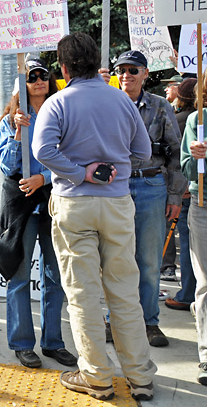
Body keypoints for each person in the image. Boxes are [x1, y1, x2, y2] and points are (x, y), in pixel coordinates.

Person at [33, 32, 156, 401]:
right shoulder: (122, 101)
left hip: (74, 204)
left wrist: (79, 172)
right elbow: (144, 152)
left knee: (83, 294)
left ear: (65, 67)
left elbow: (42, 150)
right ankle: (141, 377)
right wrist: (114, 165)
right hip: (117, 203)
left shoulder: (58, 103)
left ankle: (97, 376)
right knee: (124, 292)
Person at [0, 59, 76, 369]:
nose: (39, 80)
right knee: (20, 275)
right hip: (22, 205)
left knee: (56, 276)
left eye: (44, 75)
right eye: (32, 77)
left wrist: (46, 179)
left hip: (54, 202)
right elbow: (6, 166)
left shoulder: (62, 116)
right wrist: (16, 134)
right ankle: (22, 343)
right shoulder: (11, 121)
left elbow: (73, 159)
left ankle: (53, 342)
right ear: (22, 86)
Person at [105, 50, 185, 348]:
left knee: (149, 261)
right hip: (116, 186)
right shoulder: (107, 103)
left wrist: (175, 193)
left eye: (133, 70)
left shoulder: (160, 106)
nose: (126, 74)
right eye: (121, 69)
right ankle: (114, 321)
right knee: (115, 259)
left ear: (145, 73)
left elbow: (176, 153)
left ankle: (149, 322)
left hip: (152, 185)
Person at [178, 95, 207, 386]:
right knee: (206, 283)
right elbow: (185, 167)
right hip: (204, 206)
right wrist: (194, 157)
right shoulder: (197, 120)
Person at [166, 76, 198, 310]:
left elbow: (176, 158)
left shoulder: (180, 119)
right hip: (190, 189)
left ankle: (187, 293)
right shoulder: (193, 119)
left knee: (189, 244)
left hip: (188, 191)